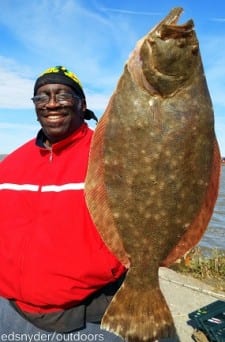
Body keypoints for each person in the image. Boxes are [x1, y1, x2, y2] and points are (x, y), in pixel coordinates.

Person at [0, 66, 126, 341]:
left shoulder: (112, 157)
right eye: (42, 97)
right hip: (9, 307)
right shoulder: (11, 164)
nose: (52, 103)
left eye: (63, 95)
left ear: (83, 105)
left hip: (88, 314)